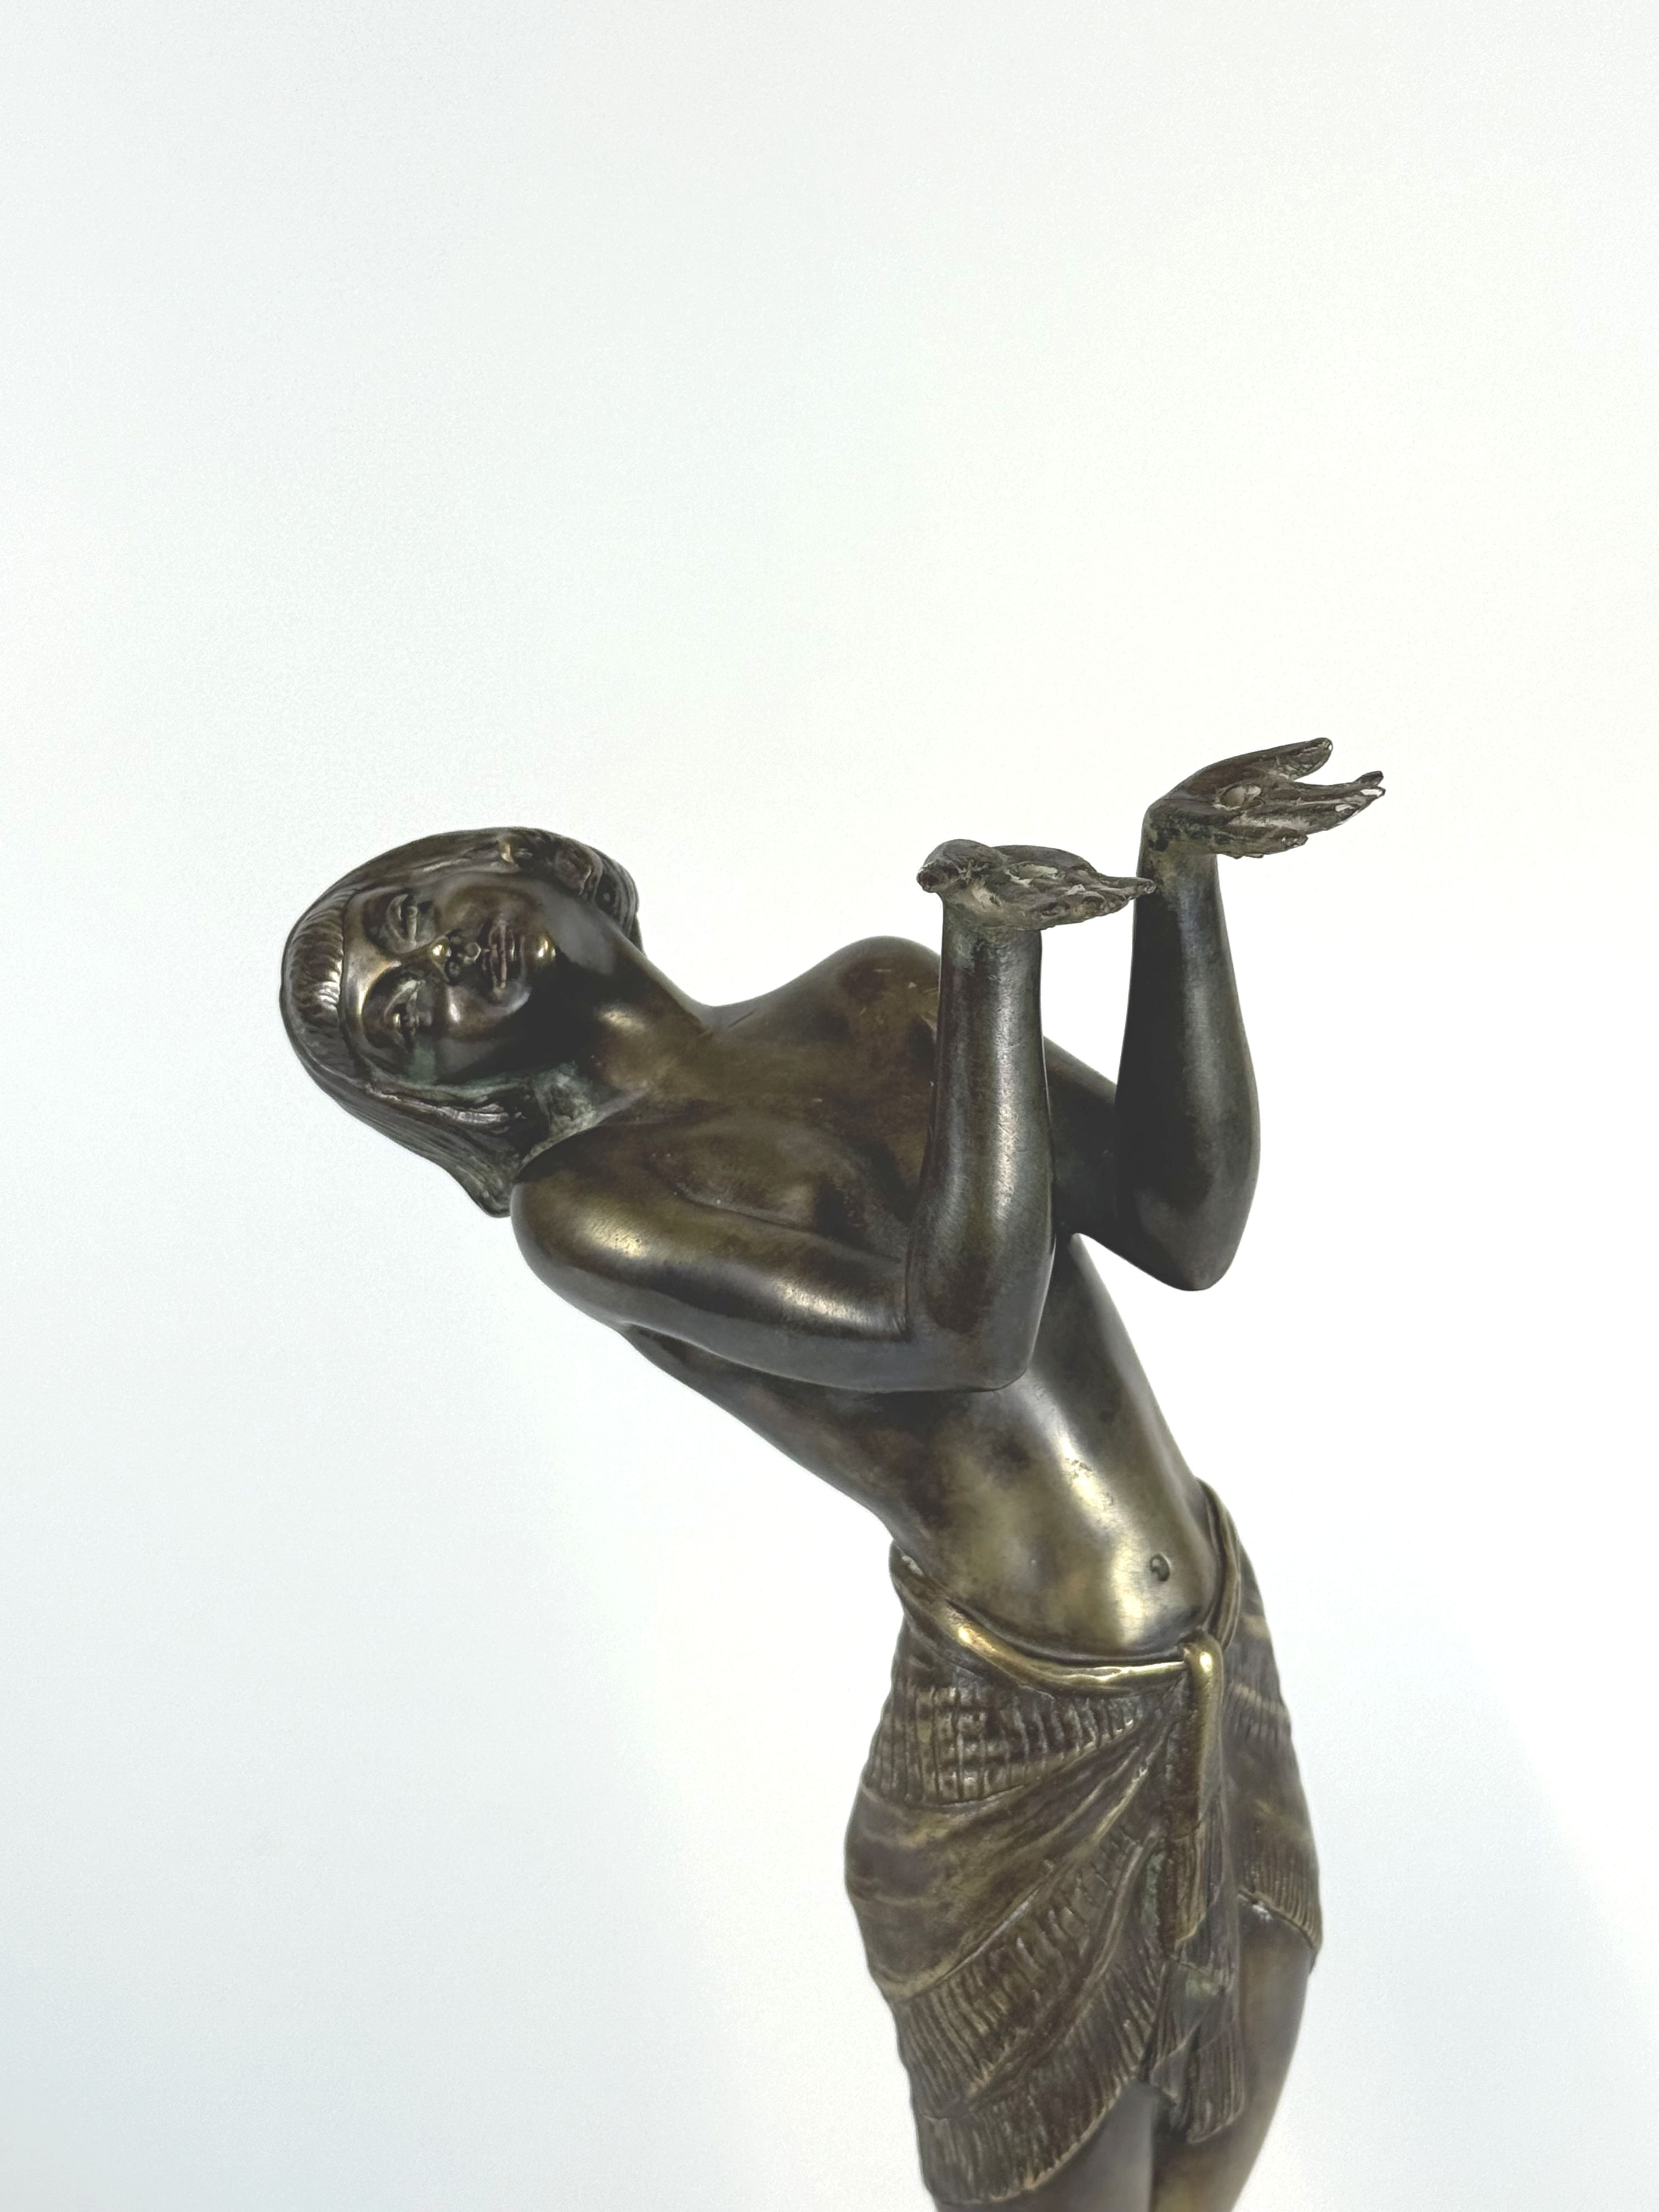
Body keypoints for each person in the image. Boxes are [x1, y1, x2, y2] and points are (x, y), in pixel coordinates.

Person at [280, 742, 1382, 2212]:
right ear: (444, 1097)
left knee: (1224, 2110)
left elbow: (1185, 1223)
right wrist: (992, 968)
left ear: (535, 864)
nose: (435, 965)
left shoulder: (874, 996)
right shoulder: (590, 1207)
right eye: (403, 1013)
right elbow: (961, 1332)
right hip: (1020, 1724)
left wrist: (1179, 883)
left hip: (1209, 1650)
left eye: (413, 917)